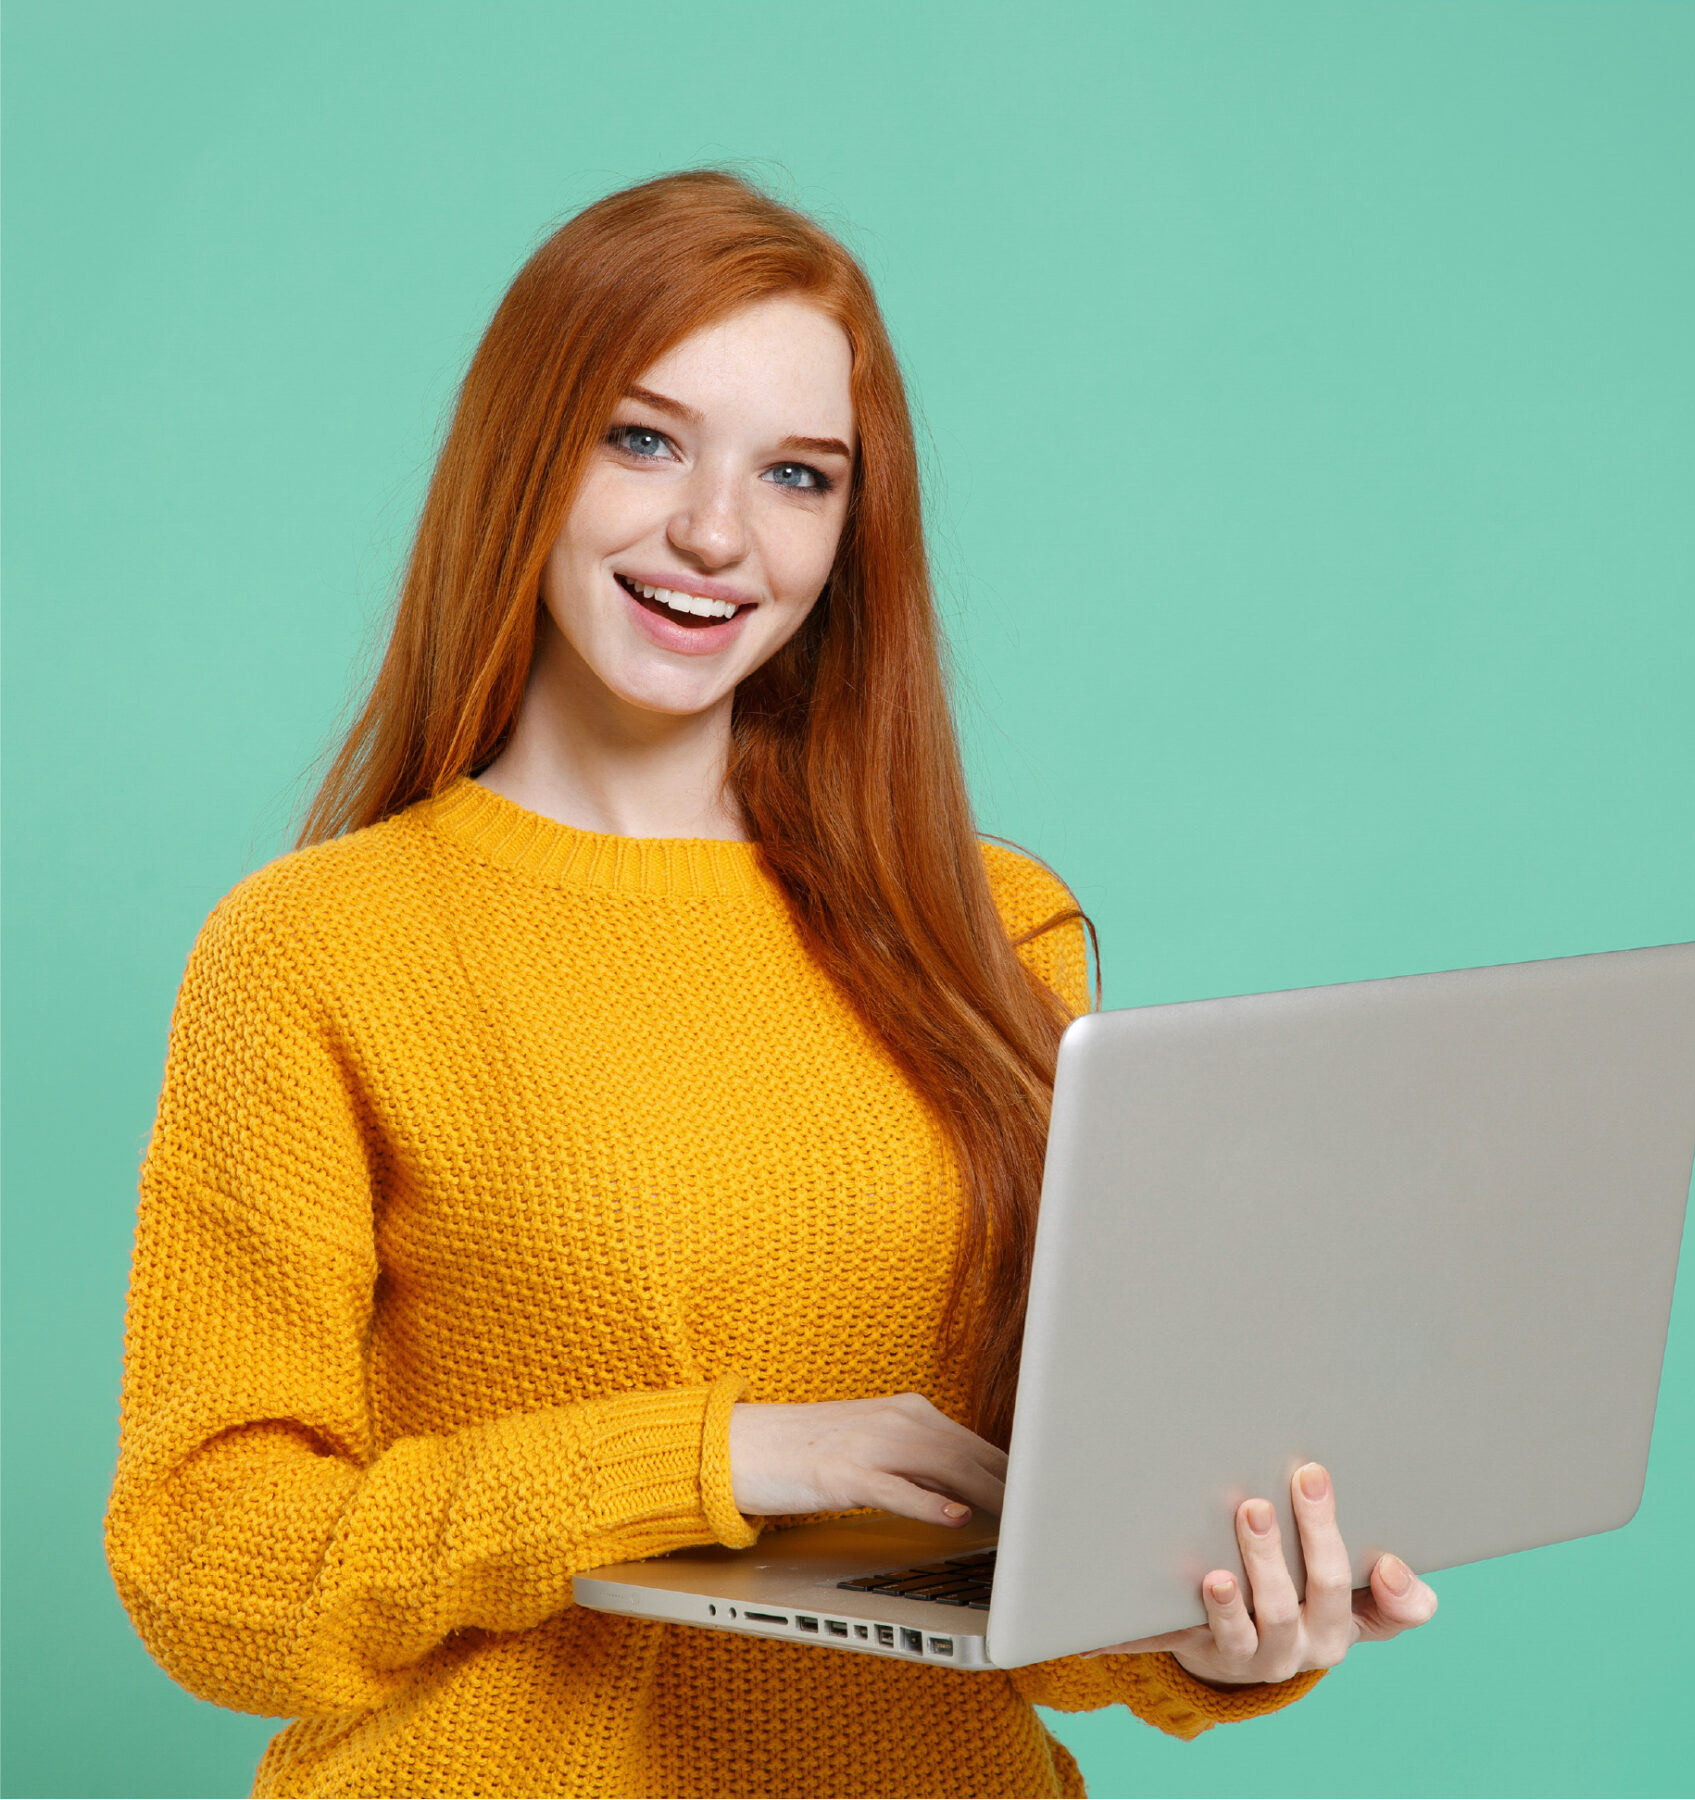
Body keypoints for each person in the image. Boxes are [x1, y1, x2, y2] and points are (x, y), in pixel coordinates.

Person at [104, 169, 1437, 1800]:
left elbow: (1034, 1555)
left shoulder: (990, 929)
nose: (715, 533)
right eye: (642, 440)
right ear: (524, 454)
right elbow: (205, 1570)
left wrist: (1217, 1632)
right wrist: (717, 1456)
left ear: (850, 531)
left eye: (796, 474)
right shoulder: (317, 946)